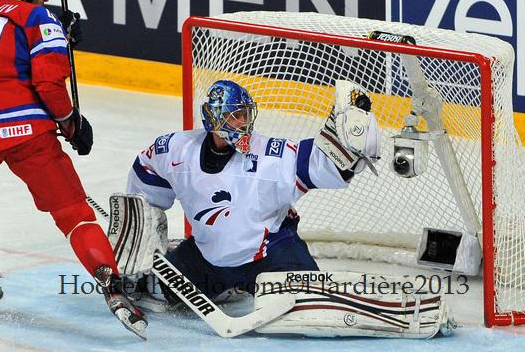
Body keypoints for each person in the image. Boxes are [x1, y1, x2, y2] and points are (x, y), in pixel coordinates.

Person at [0, 0, 146, 338]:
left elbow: (1, 54)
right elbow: (49, 85)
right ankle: (114, 289)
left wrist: (56, 28)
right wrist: (72, 124)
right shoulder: (37, 16)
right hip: (22, 131)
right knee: (74, 213)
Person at [125, 79, 380, 302]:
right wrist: (144, 231)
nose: (244, 122)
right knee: (149, 289)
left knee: (310, 301)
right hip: (206, 257)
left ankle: (242, 285)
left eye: (246, 114)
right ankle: (220, 282)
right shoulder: (178, 149)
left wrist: (346, 148)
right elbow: (146, 169)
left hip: (270, 256)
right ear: (214, 117)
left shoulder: (270, 154)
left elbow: (321, 164)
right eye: (236, 115)